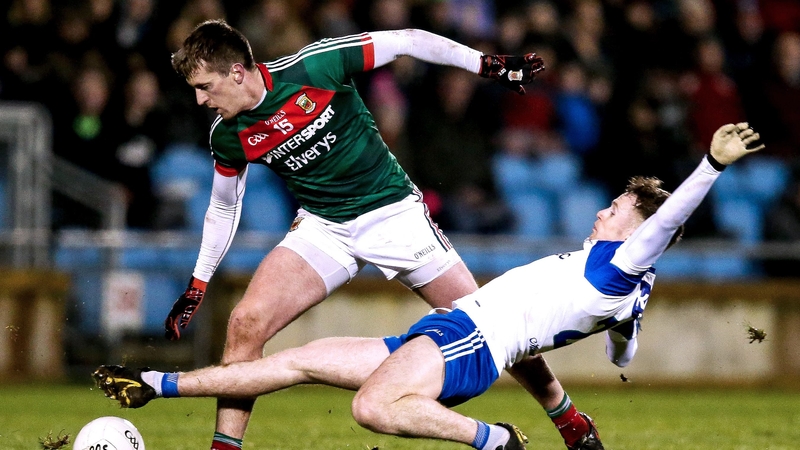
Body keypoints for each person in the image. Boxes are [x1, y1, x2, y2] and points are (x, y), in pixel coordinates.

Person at [94, 122, 765, 448]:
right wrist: (622, 342)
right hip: (449, 333)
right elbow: (623, 351)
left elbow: (668, 219)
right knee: (292, 362)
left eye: (617, 208)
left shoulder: (627, 261)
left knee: (370, 410)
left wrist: (710, 163)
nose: (602, 209)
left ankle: (493, 441)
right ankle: (155, 385)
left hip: (467, 341)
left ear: (640, 230)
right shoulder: (625, 285)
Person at [158, 18, 595, 450]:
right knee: (245, 322)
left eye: (205, 86)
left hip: (393, 214)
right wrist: (199, 282)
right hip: (325, 227)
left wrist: (485, 65)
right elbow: (223, 205)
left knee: (490, 322)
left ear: (236, 72)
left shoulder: (314, 66)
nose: (200, 100)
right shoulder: (228, 134)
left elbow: (408, 39)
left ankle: (567, 417)